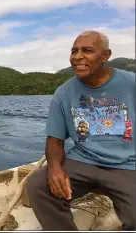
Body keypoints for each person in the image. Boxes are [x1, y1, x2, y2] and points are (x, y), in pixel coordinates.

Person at [27, 31, 135, 231]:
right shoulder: (64, 92)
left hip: (128, 164)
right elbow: (54, 139)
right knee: (38, 186)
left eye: (87, 50)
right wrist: (55, 168)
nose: (77, 56)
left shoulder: (131, 83)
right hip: (83, 161)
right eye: (74, 51)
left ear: (105, 55)